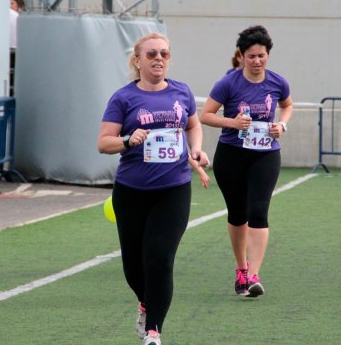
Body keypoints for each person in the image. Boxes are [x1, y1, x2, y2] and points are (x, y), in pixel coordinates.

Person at [98, 33, 209, 345]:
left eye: (164, 53)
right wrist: (126, 140)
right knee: (134, 266)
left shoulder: (181, 92)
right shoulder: (123, 98)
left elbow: (193, 124)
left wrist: (197, 150)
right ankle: (146, 302)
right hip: (131, 191)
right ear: (138, 60)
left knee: (159, 258)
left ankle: (153, 331)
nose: (159, 58)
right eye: (151, 54)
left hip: (173, 189)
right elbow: (103, 142)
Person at [200, 25, 293, 297]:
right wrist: (232, 122)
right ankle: (241, 268)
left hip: (265, 155)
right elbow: (206, 115)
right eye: (251, 56)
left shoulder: (278, 82)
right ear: (241, 56)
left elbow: (287, 105)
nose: (257, 61)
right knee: (238, 214)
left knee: (258, 211)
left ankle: (253, 275)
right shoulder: (228, 83)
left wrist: (282, 126)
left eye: (261, 56)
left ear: (268, 55)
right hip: (232, 155)